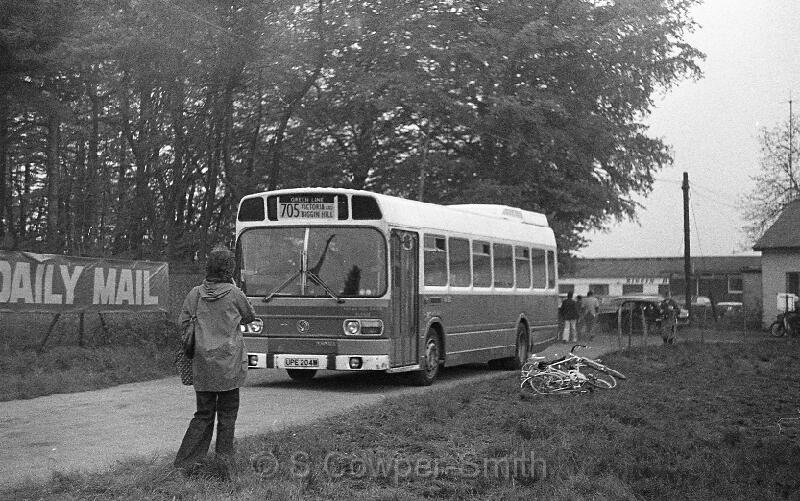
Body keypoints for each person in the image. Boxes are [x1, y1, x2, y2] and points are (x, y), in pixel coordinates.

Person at [174, 246, 256, 471]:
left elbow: (182, 323)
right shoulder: (234, 293)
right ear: (229, 269)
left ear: (208, 267)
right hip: (229, 365)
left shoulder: (195, 294)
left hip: (202, 364)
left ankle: (186, 463)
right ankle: (223, 465)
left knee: (203, 414)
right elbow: (250, 316)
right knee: (227, 416)